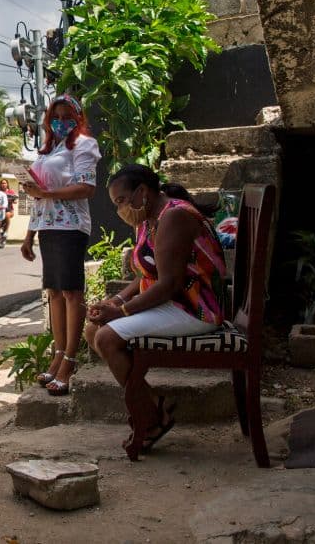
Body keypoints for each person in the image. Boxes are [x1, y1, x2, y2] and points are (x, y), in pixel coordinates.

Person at [85, 164, 226, 452]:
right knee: (92, 330)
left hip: (195, 308)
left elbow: (169, 284)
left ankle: (150, 418)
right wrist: (116, 302)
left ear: (142, 192)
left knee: (106, 338)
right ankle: (152, 408)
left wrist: (122, 313)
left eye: (122, 201)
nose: (120, 209)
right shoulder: (150, 219)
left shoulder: (174, 216)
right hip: (173, 302)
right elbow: (145, 276)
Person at [20, 94, 100, 396]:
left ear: (78, 118)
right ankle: (57, 356)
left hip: (71, 227)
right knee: (53, 292)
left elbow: (87, 187)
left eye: (68, 117)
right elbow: (36, 196)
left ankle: (69, 360)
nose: (61, 122)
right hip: (47, 228)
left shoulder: (84, 145)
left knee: (70, 292)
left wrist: (46, 192)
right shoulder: (48, 149)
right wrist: (29, 235)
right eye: (56, 117)